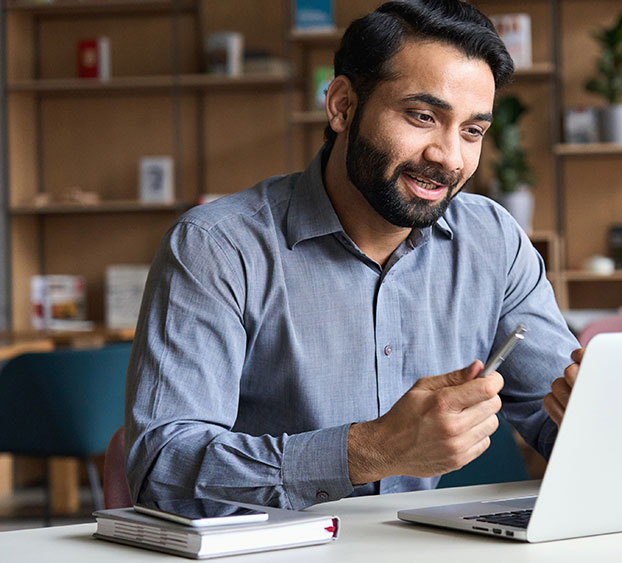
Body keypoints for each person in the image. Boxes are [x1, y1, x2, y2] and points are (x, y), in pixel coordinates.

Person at [125, 0, 581, 510]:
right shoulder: (217, 248)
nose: (450, 157)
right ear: (342, 105)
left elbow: (557, 417)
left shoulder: (492, 239)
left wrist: (595, 417)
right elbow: (162, 469)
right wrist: (369, 451)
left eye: (472, 131)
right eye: (422, 116)